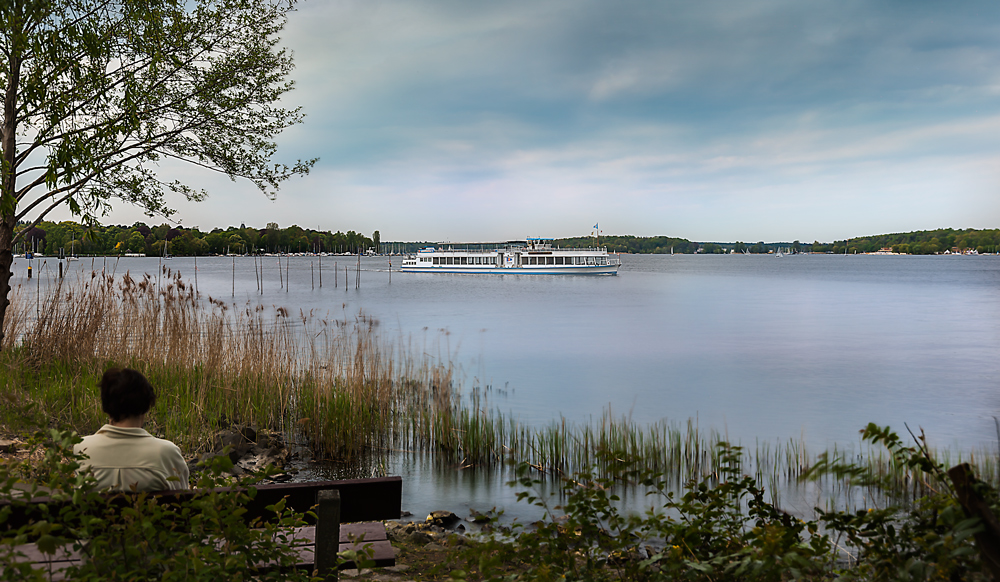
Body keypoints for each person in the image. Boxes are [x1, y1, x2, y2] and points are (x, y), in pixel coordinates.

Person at [73, 368, 189, 491]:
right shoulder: (167, 453)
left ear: (106, 407)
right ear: (146, 406)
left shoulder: (83, 448)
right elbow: (183, 498)